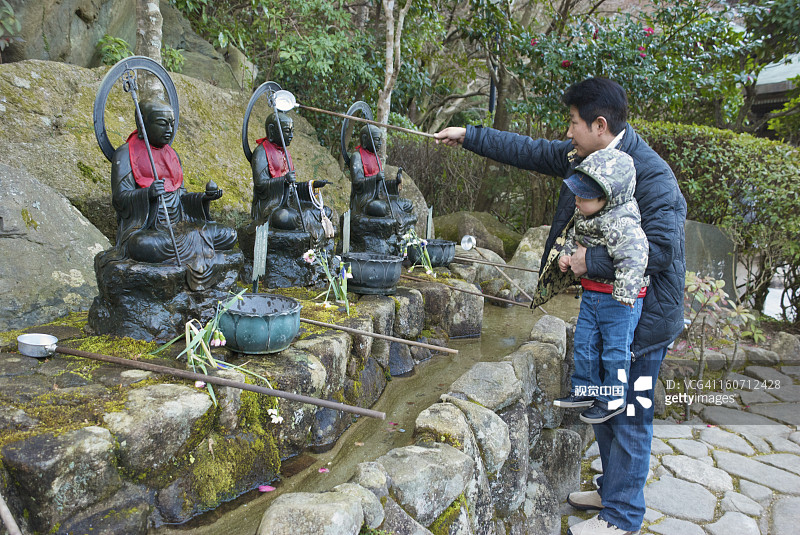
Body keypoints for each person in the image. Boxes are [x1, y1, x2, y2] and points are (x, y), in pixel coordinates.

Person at [435, 77, 686, 535]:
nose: (567, 133)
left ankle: (622, 518)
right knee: (604, 406)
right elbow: (530, 150)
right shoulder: (585, 154)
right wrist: (469, 136)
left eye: (573, 123)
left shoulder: (651, 176)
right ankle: (613, 491)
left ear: (600, 124)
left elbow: (661, 250)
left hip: (645, 318)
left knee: (629, 411)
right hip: (610, 307)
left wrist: (587, 259)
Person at [552, 148, 649, 426]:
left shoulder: (622, 220)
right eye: (577, 194)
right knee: (583, 343)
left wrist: (626, 292)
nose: (577, 201)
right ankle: (585, 389)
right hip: (593, 291)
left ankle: (613, 398)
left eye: (584, 196)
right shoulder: (586, 212)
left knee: (615, 350)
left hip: (619, 299)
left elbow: (635, 256)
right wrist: (567, 255)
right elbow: (574, 236)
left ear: (607, 197)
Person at [111, 99, 237, 291]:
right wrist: (147, 194)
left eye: (172, 123)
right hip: (149, 228)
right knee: (143, 245)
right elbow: (120, 200)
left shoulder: (172, 155)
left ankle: (191, 257)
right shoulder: (124, 155)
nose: (169, 129)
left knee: (229, 234)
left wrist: (203, 198)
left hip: (180, 226)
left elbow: (181, 197)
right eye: (162, 123)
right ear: (142, 123)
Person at [250, 111, 334, 244]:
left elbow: (292, 187)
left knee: (325, 211)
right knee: (285, 218)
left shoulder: (285, 153)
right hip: (273, 205)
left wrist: (311, 185)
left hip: (291, 203)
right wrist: (283, 180)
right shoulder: (261, 152)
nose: (291, 136)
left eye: (292, 131)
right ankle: (312, 240)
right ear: (272, 131)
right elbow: (260, 184)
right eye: (287, 131)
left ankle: (312, 241)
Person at [349, 124, 415, 223]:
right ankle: (392, 215)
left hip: (380, 198)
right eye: (377, 139)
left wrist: (395, 183)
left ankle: (392, 214)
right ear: (364, 139)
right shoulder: (357, 156)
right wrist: (375, 178)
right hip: (366, 201)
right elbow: (357, 183)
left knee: (408, 204)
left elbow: (381, 187)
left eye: (380, 140)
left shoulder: (376, 158)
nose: (380, 143)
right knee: (380, 208)